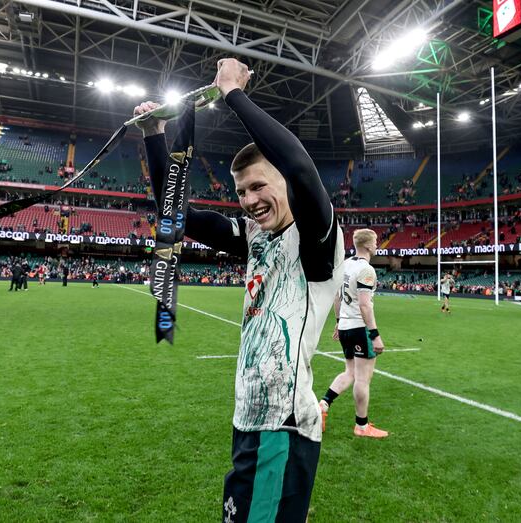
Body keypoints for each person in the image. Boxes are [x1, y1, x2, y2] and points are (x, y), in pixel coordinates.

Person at [135, 58, 343, 523]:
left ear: (284, 183)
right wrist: (153, 136)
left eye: (258, 186)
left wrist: (233, 95)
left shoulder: (317, 237)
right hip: (249, 418)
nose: (249, 201)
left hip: (281, 428)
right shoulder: (253, 235)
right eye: (241, 191)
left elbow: (302, 170)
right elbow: (177, 216)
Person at [319, 229, 388, 439]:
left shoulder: (345, 265)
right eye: (376, 241)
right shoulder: (366, 270)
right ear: (367, 245)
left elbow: (337, 298)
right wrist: (375, 334)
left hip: (346, 327)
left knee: (350, 372)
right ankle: (361, 425)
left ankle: (323, 404)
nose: (377, 245)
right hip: (360, 328)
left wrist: (339, 323)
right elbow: (365, 305)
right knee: (362, 379)